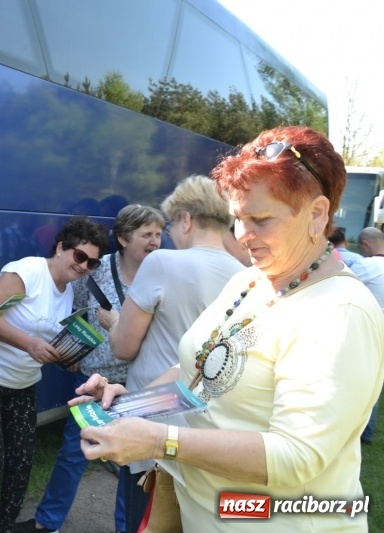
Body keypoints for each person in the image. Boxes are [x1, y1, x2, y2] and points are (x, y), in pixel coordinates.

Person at [75, 126, 384, 532]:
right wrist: (132, 402)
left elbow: (296, 455)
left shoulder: (339, 310)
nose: (242, 235)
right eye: (237, 218)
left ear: (317, 213)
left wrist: (159, 441)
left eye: (259, 219)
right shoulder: (249, 280)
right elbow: (201, 375)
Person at [0, 215, 110, 533]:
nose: (84, 267)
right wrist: (30, 344)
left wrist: (66, 357)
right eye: (80, 256)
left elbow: (48, 338)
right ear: (61, 247)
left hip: (23, 382)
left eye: (92, 263)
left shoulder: (68, 292)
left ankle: (5, 527)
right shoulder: (29, 271)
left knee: (22, 464)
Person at [105, 175, 244, 533]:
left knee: (140, 519)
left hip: (152, 415)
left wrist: (114, 321)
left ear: (186, 219)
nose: (167, 236)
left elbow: (123, 347)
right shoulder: (246, 275)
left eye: (168, 225)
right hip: (209, 426)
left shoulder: (163, 263)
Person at [15, 205, 164, 533]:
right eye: (147, 235)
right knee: (74, 452)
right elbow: (75, 311)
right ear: (124, 238)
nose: (155, 241)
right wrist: (72, 354)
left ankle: (126, 528)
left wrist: (117, 323)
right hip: (95, 379)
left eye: (158, 233)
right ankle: (46, 523)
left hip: (139, 380)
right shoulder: (95, 270)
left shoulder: (164, 272)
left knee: (132, 463)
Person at [353, 227, 384, 444]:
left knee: (362, 377)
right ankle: (367, 432)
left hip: (371, 329)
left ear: (365, 245)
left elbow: (339, 282)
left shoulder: (367, 266)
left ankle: (359, 429)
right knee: (377, 380)